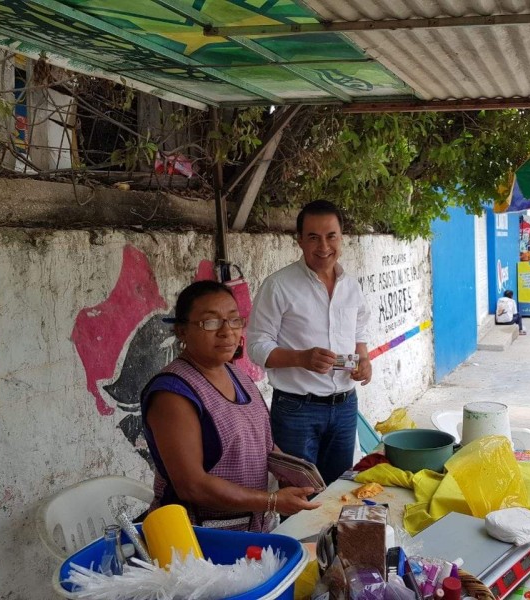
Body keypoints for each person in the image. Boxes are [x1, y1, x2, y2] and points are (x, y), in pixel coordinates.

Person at [141, 280, 320, 532]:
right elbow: (192, 485)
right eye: (210, 322)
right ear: (182, 331)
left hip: (251, 530)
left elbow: (261, 441)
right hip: (197, 539)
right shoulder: (173, 395)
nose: (227, 332)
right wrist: (272, 501)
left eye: (234, 320)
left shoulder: (238, 375)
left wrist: (290, 469)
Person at [248, 200, 372, 485]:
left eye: (331, 236)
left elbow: (360, 328)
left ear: (342, 238)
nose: (323, 246)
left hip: (344, 406)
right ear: (300, 241)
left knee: (338, 491)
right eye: (313, 237)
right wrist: (300, 358)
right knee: (299, 496)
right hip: (296, 411)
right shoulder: (278, 286)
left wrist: (363, 358)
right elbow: (256, 345)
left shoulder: (351, 286)